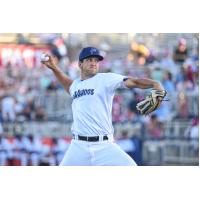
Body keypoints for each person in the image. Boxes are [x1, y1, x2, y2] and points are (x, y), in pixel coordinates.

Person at [41, 46, 165, 166]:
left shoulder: (106, 79)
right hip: (78, 146)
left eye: (96, 60)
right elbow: (68, 85)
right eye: (89, 60)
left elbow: (134, 81)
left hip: (104, 146)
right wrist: (54, 68)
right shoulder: (76, 85)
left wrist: (154, 83)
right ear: (80, 64)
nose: (94, 63)